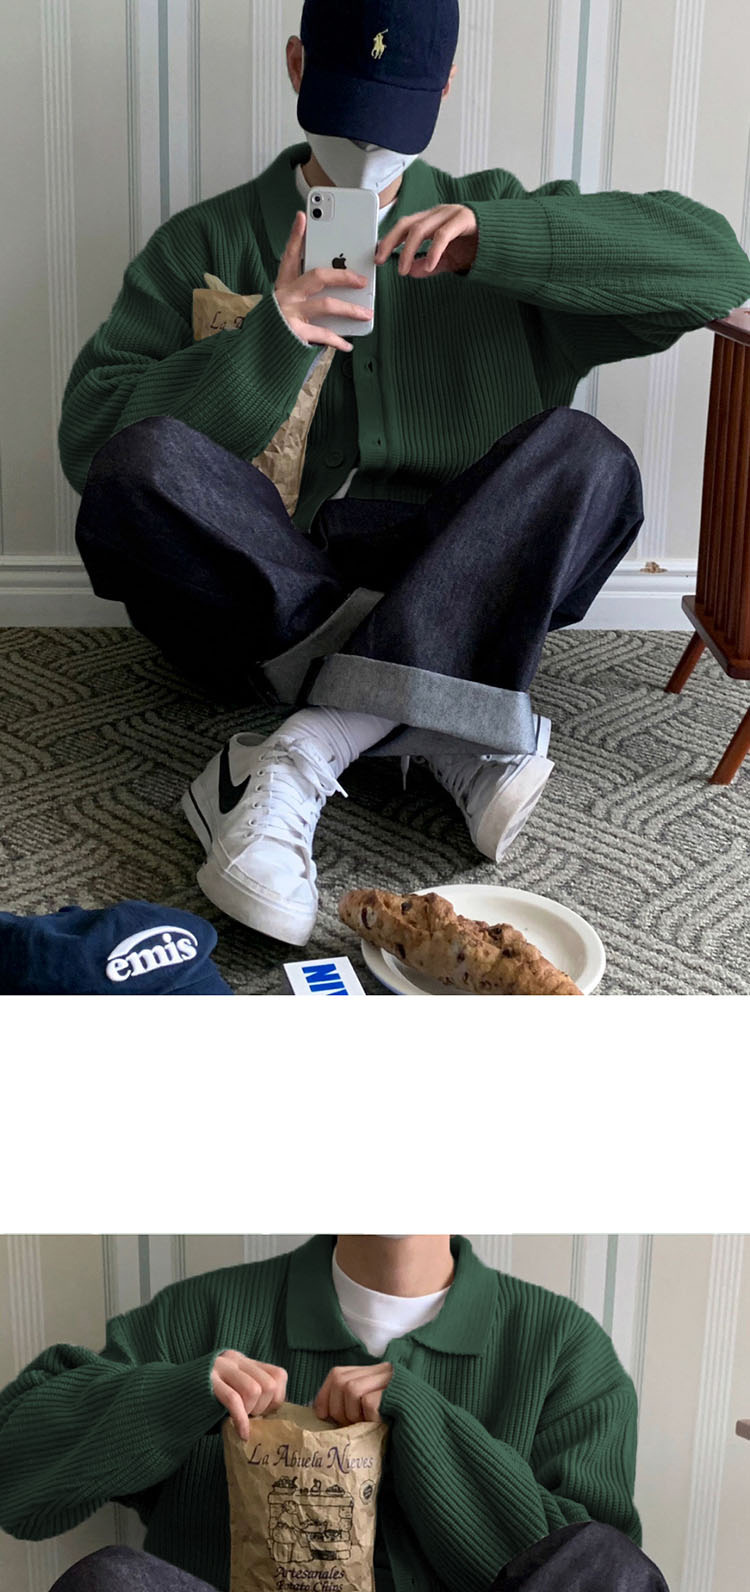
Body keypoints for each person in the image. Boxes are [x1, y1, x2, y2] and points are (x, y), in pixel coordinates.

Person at [60, 0, 750, 948]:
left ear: (445, 87)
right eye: (347, 113)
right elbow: (93, 444)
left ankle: (311, 740)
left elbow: (717, 267)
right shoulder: (204, 240)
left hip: (457, 560)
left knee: (591, 459)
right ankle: (444, 713)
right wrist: (270, 338)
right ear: (297, 65)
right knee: (142, 463)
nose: (366, 149)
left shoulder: (496, 212)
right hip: (271, 578)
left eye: (393, 121)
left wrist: (500, 243)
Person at [0, 1234, 675, 1592]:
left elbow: (596, 1591)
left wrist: (429, 1428)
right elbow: (14, 1475)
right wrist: (177, 1394)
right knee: (105, 1588)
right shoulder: (202, 1316)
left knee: (611, 1567)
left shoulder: (561, 1349)